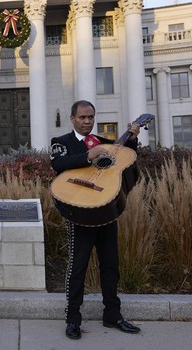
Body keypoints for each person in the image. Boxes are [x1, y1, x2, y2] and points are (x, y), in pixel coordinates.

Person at [49, 100, 141, 340]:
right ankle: (72, 319)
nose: (87, 121)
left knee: (111, 266)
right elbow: (58, 164)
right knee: (77, 268)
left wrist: (131, 139)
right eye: (82, 117)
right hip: (79, 213)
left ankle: (113, 314)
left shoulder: (106, 143)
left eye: (90, 117)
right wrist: (87, 156)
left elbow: (128, 160)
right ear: (72, 118)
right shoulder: (61, 143)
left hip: (106, 211)